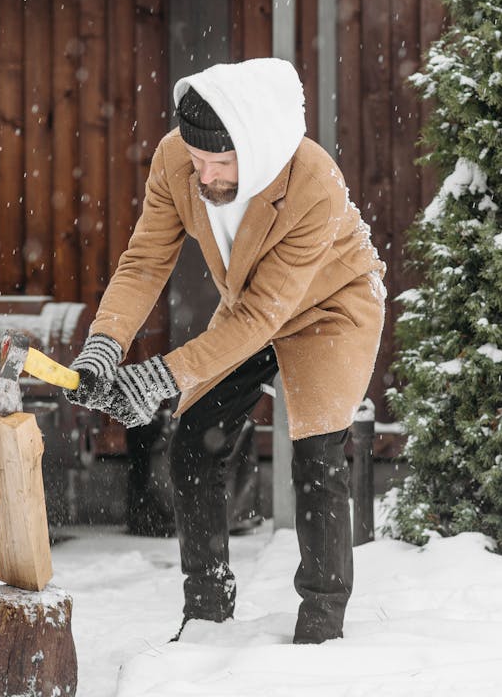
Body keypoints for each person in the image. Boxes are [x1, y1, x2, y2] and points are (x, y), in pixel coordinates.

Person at [66, 58, 385, 644]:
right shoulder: (174, 161)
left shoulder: (315, 181)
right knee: (192, 441)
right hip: (249, 307)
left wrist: (162, 374)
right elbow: (144, 262)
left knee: (316, 455)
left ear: (257, 148)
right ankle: (207, 613)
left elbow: (269, 315)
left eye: (220, 162)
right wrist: (104, 346)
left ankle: (322, 625)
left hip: (330, 308)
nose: (204, 175)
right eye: (197, 160)